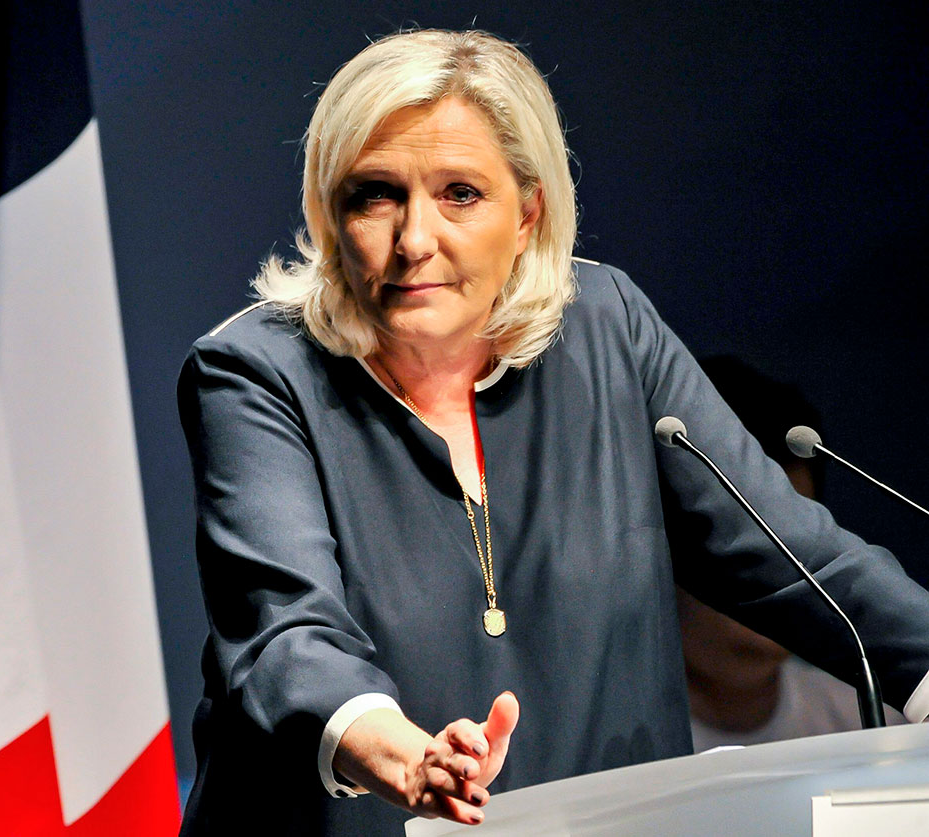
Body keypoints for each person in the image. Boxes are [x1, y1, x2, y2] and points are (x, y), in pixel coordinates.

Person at [176, 29, 929, 836]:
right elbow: (286, 633)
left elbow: (799, 561)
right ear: (330, 213)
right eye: (375, 195)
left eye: (460, 193)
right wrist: (407, 757)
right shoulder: (256, 370)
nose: (415, 240)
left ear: (528, 211)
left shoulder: (609, 328)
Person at [677, 357, 906, 751]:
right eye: (748, 530)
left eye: (796, 531)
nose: (781, 561)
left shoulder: (877, 730)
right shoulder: (594, 747)